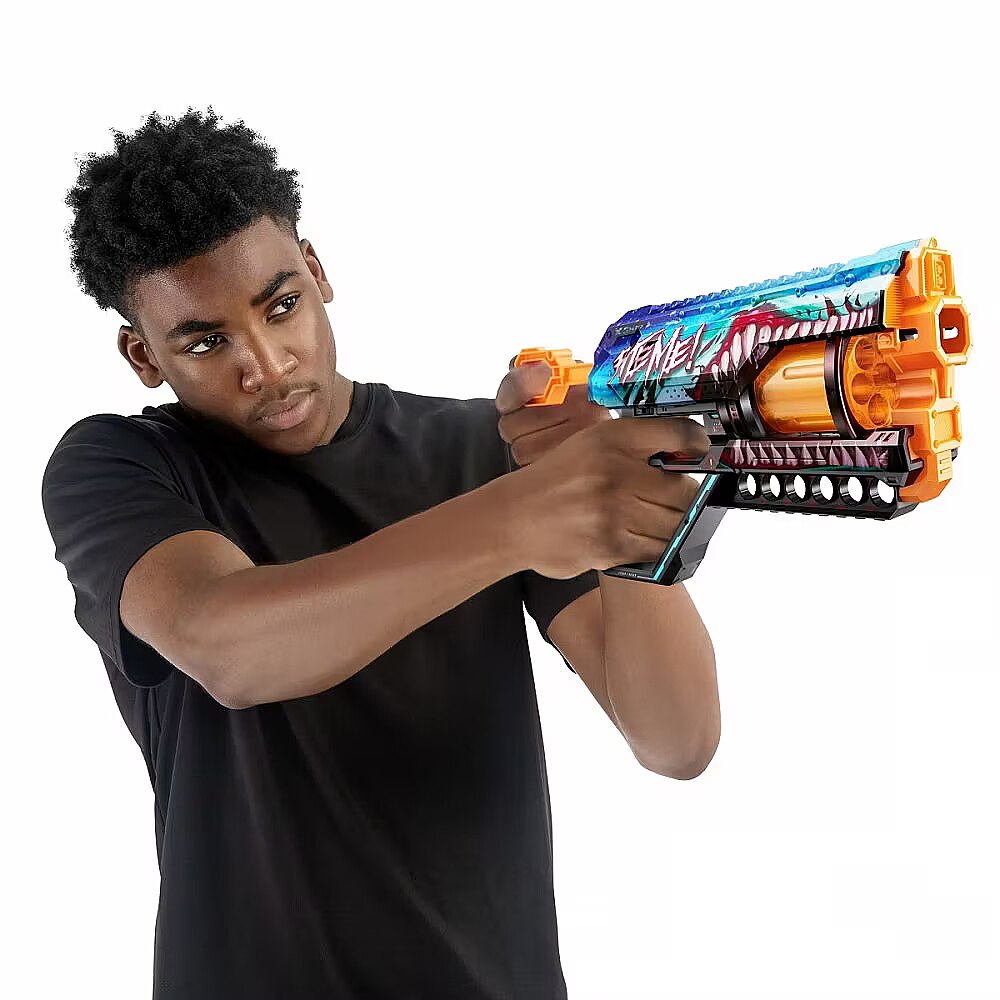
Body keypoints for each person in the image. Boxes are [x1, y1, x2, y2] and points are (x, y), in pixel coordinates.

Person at [41, 107, 721, 999]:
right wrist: (525, 512)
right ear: (142, 355)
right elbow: (227, 645)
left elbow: (677, 740)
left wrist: (628, 515)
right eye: (205, 342)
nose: (266, 363)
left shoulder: (479, 451)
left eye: (282, 305)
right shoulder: (119, 467)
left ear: (317, 271)